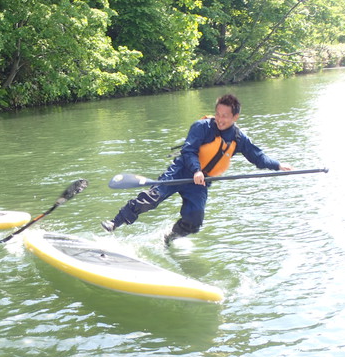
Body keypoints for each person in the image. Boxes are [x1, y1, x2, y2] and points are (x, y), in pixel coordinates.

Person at [101, 93, 293, 244]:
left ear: (235, 117)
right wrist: (196, 170)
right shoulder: (201, 127)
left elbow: (257, 156)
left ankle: (170, 238)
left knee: (194, 220)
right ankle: (115, 222)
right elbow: (189, 151)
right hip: (182, 171)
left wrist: (277, 165)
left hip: (201, 183)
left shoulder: (239, 138)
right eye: (217, 114)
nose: (219, 119)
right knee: (151, 199)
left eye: (225, 116)